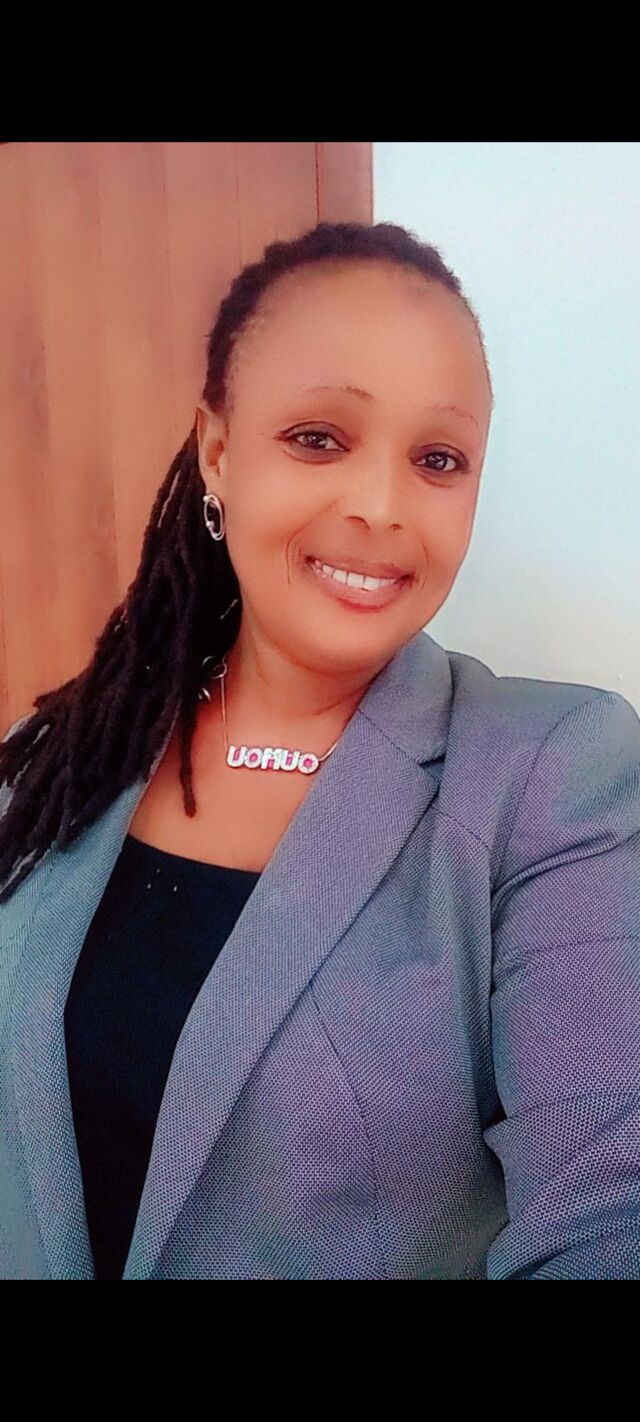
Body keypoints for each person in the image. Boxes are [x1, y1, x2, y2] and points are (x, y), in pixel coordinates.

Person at [0, 220, 638, 1281]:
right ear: (217, 451)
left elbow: (609, 1198)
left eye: (438, 460)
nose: (380, 507)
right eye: (318, 438)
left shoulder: (552, 775)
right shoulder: (52, 765)